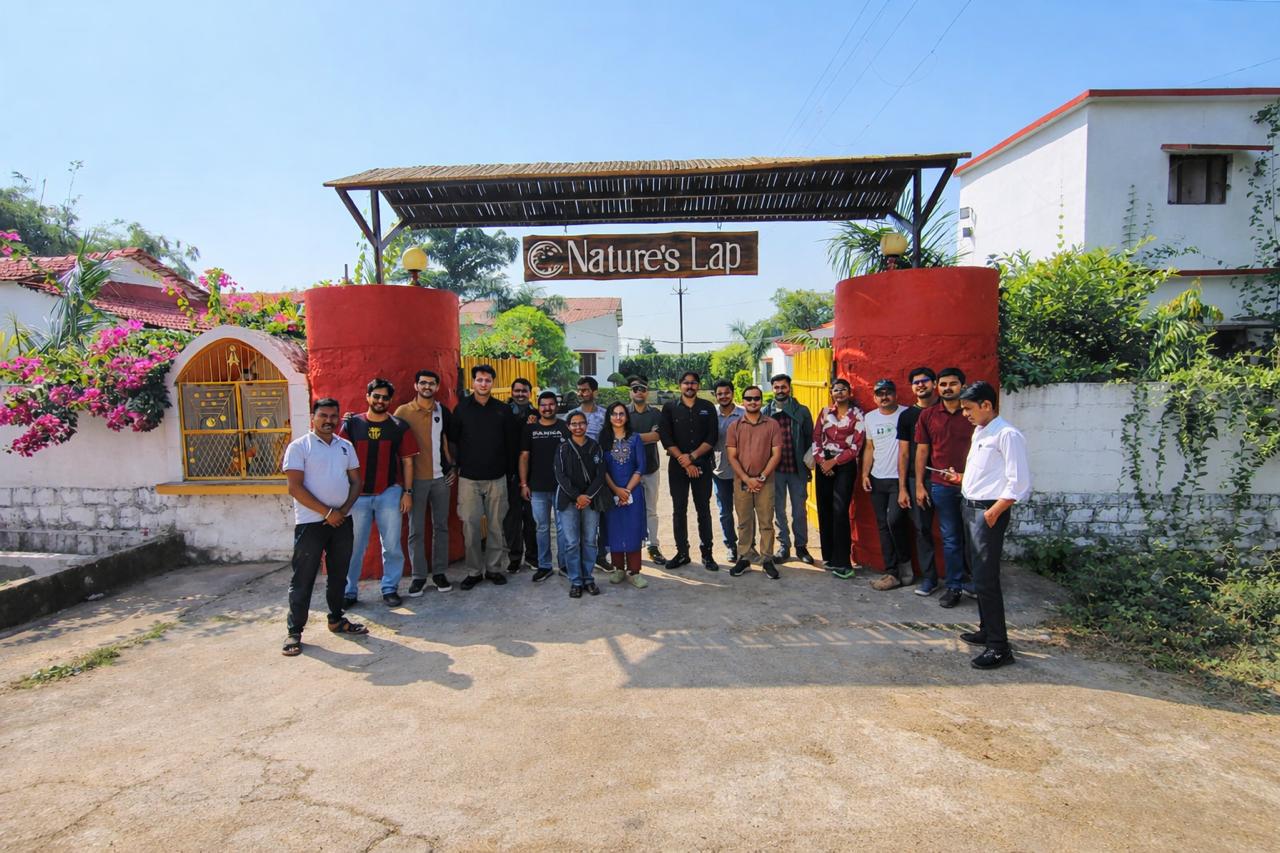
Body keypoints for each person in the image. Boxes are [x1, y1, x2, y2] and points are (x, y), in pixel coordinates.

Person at [942, 381, 1031, 670]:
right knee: (976, 573)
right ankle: (986, 630)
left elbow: (1019, 482)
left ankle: (999, 647)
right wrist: (961, 478)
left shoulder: (1007, 435)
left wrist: (994, 512)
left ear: (987, 405)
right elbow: (987, 473)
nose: (965, 414)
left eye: (969, 408)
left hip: (987, 512)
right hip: (971, 507)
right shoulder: (982, 431)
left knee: (986, 579)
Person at [281, 398, 366, 656]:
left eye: (333, 416)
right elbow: (294, 487)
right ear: (313, 417)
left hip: (341, 521)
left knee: (339, 573)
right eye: (323, 416)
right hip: (311, 523)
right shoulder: (299, 447)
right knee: (303, 577)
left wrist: (343, 510)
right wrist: (327, 513)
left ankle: (336, 618)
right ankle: (294, 631)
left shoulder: (345, 446)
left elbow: (356, 481)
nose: (329, 421)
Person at [338, 378, 418, 608]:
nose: (380, 401)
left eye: (385, 397)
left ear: (390, 400)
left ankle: (390, 588)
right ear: (368, 397)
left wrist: (407, 492)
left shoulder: (399, 426)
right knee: (354, 546)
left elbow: (408, 462)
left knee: (392, 545)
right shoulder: (352, 425)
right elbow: (339, 457)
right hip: (357, 496)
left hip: (389, 493)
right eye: (376, 396)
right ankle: (348, 591)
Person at [448, 364, 519, 590]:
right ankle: (474, 571)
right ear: (473, 382)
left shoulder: (503, 410)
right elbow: (452, 440)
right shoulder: (462, 409)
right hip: (469, 478)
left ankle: (494, 568)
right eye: (479, 379)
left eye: (488, 380)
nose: (483, 383)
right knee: (470, 527)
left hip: (497, 477)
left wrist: (510, 473)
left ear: (493, 383)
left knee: (496, 527)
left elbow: (511, 444)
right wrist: (455, 465)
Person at [914, 366, 976, 608]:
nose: (947, 388)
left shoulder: (972, 413)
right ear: (937, 387)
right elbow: (922, 452)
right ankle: (954, 586)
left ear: (962, 385)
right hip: (942, 486)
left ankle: (977, 583)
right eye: (943, 384)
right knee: (950, 538)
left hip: (974, 485)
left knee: (976, 538)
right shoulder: (928, 416)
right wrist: (920, 485)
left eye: (952, 384)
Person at [394, 369, 456, 596]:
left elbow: (449, 441)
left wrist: (453, 467)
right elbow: (392, 442)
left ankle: (439, 573)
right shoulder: (403, 412)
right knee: (416, 530)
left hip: (440, 480)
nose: (427, 386)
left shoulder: (442, 411)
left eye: (431, 383)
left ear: (437, 387)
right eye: (423, 383)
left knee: (441, 528)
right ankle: (418, 576)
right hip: (416, 481)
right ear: (416, 385)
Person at [659, 371, 719, 571]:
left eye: (693, 383)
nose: (690, 386)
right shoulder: (669, 408)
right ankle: (682, 553)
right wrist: (684, 462)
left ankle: (707, 554)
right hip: (677, 467)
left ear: (698, 386)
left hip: (702, 465)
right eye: (686, 383)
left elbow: (711, 438)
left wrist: (692, 458)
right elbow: (666, 438)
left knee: (703, 510)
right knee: (679, 510)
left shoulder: (707, 407)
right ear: (680, 386)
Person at [725, 386, 783, 579]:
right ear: (743, 401)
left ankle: (767, 559)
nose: (752, 402)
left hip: (766, 482)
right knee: (744, 522)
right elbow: (732, 456)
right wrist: (747, 479)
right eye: (748, 398)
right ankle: (744, 558)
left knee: (766, 522)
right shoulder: (734, 426)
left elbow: (776, 454)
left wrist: (762, 477)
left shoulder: (772, 425)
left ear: (761, 400)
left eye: (756, 398)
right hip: (742, 481)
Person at [862, 379, 914, 590]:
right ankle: (891, 571)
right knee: (883, 525)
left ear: (896, 395)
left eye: (888, 393)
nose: (884, 397)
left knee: (895, 522)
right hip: (877, 478)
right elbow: (869, 447)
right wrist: (865, 474)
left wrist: (904, 486)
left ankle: (906, 565)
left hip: (899, 479)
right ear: (874, 397)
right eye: (879, 393)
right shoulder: (870, 418)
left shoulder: (907, 414)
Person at [811, 378, 865, 579]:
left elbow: (856, 446)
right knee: (825, 509)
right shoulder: (825, 412)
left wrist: (834, 462)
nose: (839, 393)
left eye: (843, 389)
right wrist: (821, 461)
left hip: (844, 465)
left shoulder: (857, 415)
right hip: (823, 463)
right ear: (831, 393)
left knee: (840, 511)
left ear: (849, 392)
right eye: (836, 390)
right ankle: (829, 557)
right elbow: (816, 438)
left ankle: (843, 561)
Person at [763, 374, 815, 565]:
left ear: (789, 388)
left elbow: (810, 439)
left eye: (783, 387)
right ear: (772, 389)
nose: (780, 391)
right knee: (778, 510)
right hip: (775, 470)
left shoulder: (802, 411)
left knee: (799, 511)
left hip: (797, 469)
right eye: (776, 387)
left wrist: (809, 465)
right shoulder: (766, 411)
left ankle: (801, 547)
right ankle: (783, 546)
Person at [519, 390, 570, 584]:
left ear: (556, 406)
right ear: (538, 407)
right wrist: (524, 484)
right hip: (537, 488)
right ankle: (544, 566)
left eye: (551, 404)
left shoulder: (565, 427)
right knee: (541, 528)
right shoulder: (530, 429)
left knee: (563, 529)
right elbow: (524, 456)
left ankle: (564, 565)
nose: (547, 408)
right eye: (543, 405)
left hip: (561, 488)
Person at [554, 411, 606, 598]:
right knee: (572, 542)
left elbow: (600, 475)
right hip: (568, 501)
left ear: (586, 425)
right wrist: (577, 497)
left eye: (581, 423)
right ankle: (576, 581)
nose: (578, 427)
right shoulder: (562, 448)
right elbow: (560, 476)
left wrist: (587, 496)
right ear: (568, 427)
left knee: (590, 541)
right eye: (574, 424)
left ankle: (588, 579)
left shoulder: (595, 447)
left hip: (591, 500)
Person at [897, 367, 939, 595]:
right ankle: (930, 578)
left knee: (956, 530)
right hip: (917, 480)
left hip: (947, 479)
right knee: (922, 530)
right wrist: (903, 487)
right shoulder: (907, 416)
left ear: (934, 383)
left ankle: (962, 578)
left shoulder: (947, 409)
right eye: (916, 382)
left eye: (925, 381)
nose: (920, 385)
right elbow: (904, 454)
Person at [600, 401, 649, 588]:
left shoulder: (635, 439)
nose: (618, 417)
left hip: (633, 492)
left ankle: (635, 571)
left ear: (627, 417)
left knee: (633, 529)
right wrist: (616, 490)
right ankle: (619, 568)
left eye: (622, 414)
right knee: (614, 529)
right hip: (611, 492)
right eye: (614, 414)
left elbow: (641, 466)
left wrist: (626, 491)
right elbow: (602, 469)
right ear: (609, 417)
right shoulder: (603, 439)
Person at [626, 376, 668, 566]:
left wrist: (632, 437)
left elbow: (657, 436)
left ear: (647, 392)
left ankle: (653, 546)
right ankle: (632, 546)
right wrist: (645, 437)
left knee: (651, 510)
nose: (639, 392)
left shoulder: (656, 413)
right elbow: (619, 437)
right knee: (629, 509)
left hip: (651, 468)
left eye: (642, 389)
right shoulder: (623, 412)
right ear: (630, 392)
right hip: (628, 470)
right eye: (635, 389)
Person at [570, 376, 609, 570]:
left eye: (585, 390)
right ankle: (579, 559)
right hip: (577, 476)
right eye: (579, 390)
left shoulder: (604, 415)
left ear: (594, 392)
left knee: (602, 517)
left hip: (600, 473)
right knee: (579, 520)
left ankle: (601, 556)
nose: (581, 393)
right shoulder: (572, 415)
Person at [504, 377, 539, 573]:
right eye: (517, 391)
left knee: (532, 518)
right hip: (509, 472)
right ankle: (514, 557)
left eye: (524, 391)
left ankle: (532, 557)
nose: (520, 394)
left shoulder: (536, 414)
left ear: (529, 393)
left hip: (532, 473)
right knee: (512, 519)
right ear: (512, 392)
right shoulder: (503, 412)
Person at [712, 379, 745, 562]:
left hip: (743, 472)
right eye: (720, 394)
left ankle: (747, 545)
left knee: (745, 511)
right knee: (725, 512)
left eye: (726, 393)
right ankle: (731, 545)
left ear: (732, 393)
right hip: (720, 471)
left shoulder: (743, 413)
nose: (723, 396)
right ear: (715, 395)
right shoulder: (711, 415)